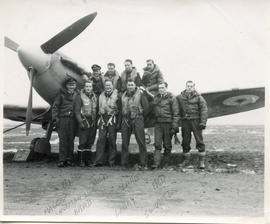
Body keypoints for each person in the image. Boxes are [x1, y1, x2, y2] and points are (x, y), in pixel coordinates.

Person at [176, 80, 208, 169]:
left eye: (191, 86)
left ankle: (201, 161)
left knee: (199, 140)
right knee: (185, 141)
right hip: (185, 121)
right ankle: (186, 160)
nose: (189, 87)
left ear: (194, 87)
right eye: (188, 86)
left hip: (196, 121)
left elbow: (204, 110)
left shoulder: (199, 97)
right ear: (185, 86)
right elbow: (175, 109)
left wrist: (203, 122)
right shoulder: (180, 97)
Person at [121, 79, 150, 170]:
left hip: (137, 118)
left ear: (135, 85)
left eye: (132, 85)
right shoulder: (123, 95)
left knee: (141, 142)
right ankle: (124, 163)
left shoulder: (141, 94)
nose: (130, 86)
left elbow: (147, 108)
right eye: (128, 85)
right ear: (126, 86)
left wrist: (140, 117)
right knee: (125, 142)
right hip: (126, 120)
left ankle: (143, 163)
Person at [52, 75, 79, 167]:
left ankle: (70, 160)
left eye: (73, 84)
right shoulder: (61, 95)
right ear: (66, 85)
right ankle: (62, 160)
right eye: (70, 84)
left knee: (71, 140)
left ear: (75, 86)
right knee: (63, 140)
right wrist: (56, 119)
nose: (72, 86)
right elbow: (55, 107)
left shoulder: (77, 94)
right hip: (63, 119)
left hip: (73, 120)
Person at [93, 79, 121, 167]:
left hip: (112, 119)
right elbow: (98, 107)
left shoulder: (117, 95)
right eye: (106, 85)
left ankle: (111, 161)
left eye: (109, 85)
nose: (108, 87)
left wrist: (118, 123)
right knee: (101, 139)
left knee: (112, 140)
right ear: (104, 86)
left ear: (113, 86)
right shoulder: (101, 95)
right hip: (102, 118)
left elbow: (120, 110)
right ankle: (98, 161)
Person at [152, 82, 179, 169]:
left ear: (166, 88)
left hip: (168, 123)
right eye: (159, 88)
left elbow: (176, 113)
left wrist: (174, 126)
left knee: (167, 144)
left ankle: (165, 163)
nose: (161, 89)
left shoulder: (172, 98)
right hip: (158, 124)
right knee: (157, 143)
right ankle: (156, 163)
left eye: (163, 88)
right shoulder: (156, 98)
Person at [74, 80, 98, 167]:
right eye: (87, 86)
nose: (88, 88)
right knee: (82, 142)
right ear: (84, 87)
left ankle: (88, 161)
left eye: (90, 86)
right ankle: (81, 161)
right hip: (84, 120)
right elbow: (77, 111)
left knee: (90, 142)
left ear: (92, 88)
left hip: (93, 121)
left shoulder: (95, 97)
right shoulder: (79, 96)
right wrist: (80, 122)